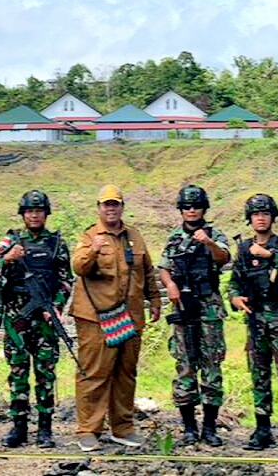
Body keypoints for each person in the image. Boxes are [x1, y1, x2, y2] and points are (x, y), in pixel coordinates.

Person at [70, 184, 162, 452]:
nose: (111, 208)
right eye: (106, 204)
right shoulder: (89, 236)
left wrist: (154, 300)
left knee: (125, 373)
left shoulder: (135, 235)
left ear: (122, 207)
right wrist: (93, 250)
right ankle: (88, 430)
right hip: (96, 317)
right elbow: (78, 267)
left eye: (115, 204)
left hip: (130, 316)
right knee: (95, 373)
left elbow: (147, 270)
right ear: (98, 208)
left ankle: (122, 427)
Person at [227, 193, 278, 458]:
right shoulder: (243, 249)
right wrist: (235, 298)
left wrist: (269, 255)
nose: (260, 218)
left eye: (265, 213)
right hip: (255, 320)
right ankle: (263, 429)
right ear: (250, 219)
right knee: (259, 376)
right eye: (255, 214)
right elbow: (234, 281)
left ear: (273, 217)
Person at [0, 189, 72, 448]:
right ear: (23, 214)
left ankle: (45, 429)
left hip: (45, 318)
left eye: (39, 211)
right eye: (30, 211)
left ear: (46, 214)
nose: (34, 215)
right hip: (17, 317)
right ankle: (18, 427)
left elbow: (65, 280)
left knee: (45, 373)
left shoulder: (57, 243)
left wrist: (57, 306)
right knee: (17, 372)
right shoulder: (10, 240)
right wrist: (7, 259)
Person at [158, 185, 230, 447]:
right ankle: (189, 428)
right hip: (182, 307)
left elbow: (224, 258)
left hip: (208, 306)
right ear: (181, 210)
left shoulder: (214, 233)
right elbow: (163, 267)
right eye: (187, 207)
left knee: (212, 366)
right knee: (185, 365)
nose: (191, 210)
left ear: (203, 209)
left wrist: (208, 242)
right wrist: (170, 285)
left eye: (196, 206)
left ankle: (210, 428)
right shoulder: (174, 237)